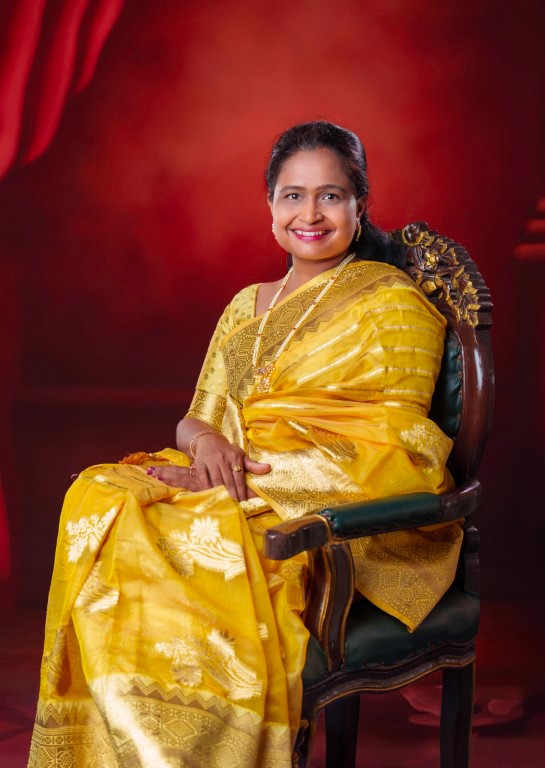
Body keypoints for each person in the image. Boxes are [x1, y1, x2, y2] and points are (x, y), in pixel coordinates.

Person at [28, 121, 462, 767]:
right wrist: (207, 448)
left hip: (318, 516)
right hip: (230, 486)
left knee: (182, 550)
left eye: (330, 196)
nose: (309, 214)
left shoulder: (391, 302)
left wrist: (248, 480)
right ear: (269, 206)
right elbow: (195, 419)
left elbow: (397, 446)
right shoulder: (245, 305)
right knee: (99, 494)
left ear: (359, 205)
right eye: (293, 196)